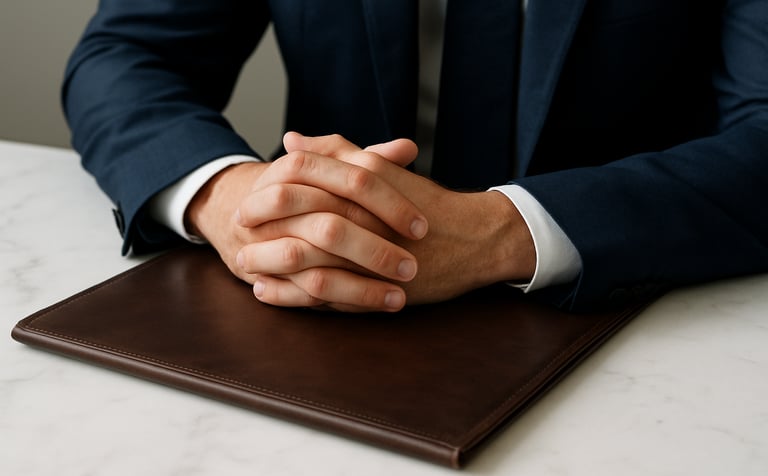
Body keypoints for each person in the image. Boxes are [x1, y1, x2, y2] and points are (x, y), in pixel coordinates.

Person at [63, 0, 768, 313]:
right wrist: (234, 197)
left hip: (638, 306)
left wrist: (503, 231)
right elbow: (127, 53)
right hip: (304, 303)